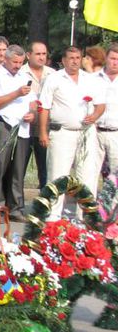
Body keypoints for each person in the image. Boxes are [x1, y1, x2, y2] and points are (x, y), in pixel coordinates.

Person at [38, 47, 105, 220]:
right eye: (71, 58)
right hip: (62, 132)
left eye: (77, 57)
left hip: (86, 132)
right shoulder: (53, 79)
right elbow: (44, 107)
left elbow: (101, 104)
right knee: (57, 176)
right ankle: (52, 218)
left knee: (87, 176)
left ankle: (85, 219)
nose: (74, 61)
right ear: (64, 60)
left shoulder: (90, 80)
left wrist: (95, 116)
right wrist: (43, 133)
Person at [0, 45, 36, 221]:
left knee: (18, 170)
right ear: (6, 59)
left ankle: (16, 207)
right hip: (3, 124)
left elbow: (33, 101)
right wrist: (16, 93)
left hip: (22, 127)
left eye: (20, 62)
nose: (17, 65)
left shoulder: (25, 76)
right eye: (14, 62)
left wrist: (33, 113)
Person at [20, 41, 54, 188]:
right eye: (38, 54)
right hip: (25, 127)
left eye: (44, 54)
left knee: (46, 168)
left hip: (45, 128)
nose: (41, 57)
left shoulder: (53, 74)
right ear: (28, 55)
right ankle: (16, 203)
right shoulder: (20, 73)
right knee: (19, 168)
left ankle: (45, 200)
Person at [96, 45, 118, 176]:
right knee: (91, 171)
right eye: (113, 58)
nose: (115, 62)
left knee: (115, 173)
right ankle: (91, 197)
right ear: (106, 58)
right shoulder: (93, 78)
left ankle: (114, 197)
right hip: (96, 132)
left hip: (116, 132)